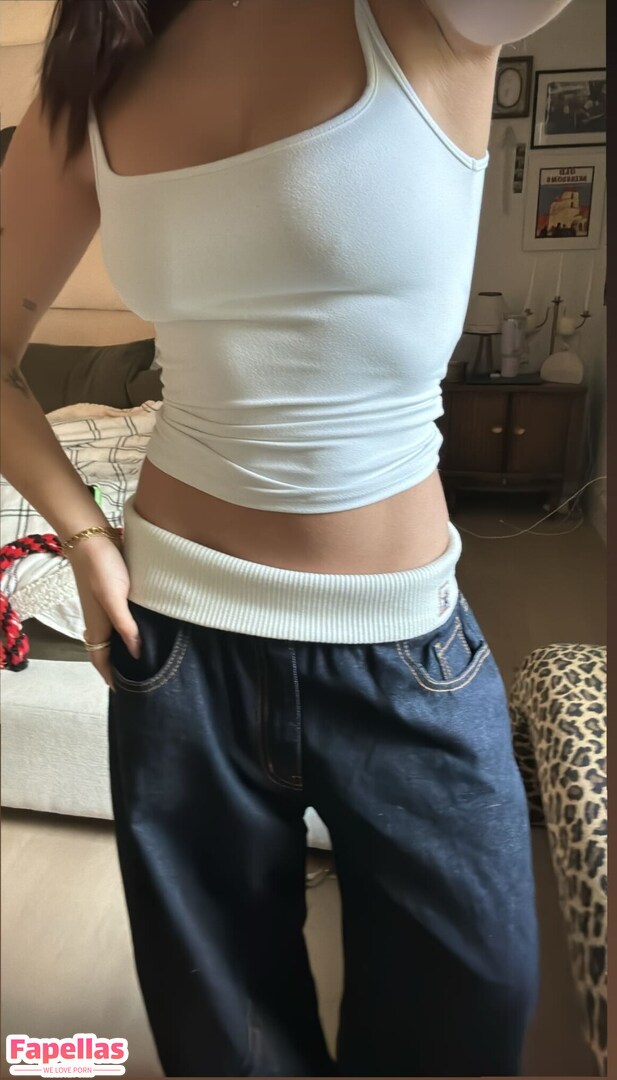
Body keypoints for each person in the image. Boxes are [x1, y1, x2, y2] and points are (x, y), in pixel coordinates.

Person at [1, 1, 575, 1075]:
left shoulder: (431, 16)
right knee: (227, 1049)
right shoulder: (91, 76)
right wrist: (81, 534)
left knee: (470, 1015)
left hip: (406, 651)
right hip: (176, 653)